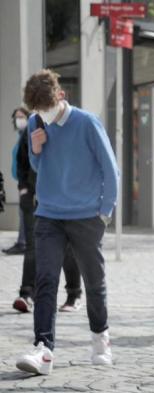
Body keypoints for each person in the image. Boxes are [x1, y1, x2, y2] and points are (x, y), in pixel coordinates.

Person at [15, 69, 119, 375]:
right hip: (48, 214)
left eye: (46, 109)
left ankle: (101, 339)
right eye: (37, 111)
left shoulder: (86, 122)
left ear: (61, 96)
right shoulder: (35, 122)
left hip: (87, 216)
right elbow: (38, 164)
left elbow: (110, 167)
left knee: (93, 280)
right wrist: (35, 148)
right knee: (46, 280)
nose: (42, 115)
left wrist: (105, 212)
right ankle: (43, 349)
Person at [11, 105, 83, 313]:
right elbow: (22, 161)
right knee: (33, 246)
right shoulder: (32, 126)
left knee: (68, 248)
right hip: (35, 198)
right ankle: (26, 294)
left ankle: (73, 294)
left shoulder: (72, 126)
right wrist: (24, 189)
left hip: (65, 200)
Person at [3, 108, 31, 255]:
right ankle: (23, 242)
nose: (19, 120)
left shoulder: (28, 136)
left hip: (26, 183)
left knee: (24, 212)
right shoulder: (21, 135)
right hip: (21, 181)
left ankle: (23, 243)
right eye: (16, 118)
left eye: (22, 117)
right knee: (23, 213)